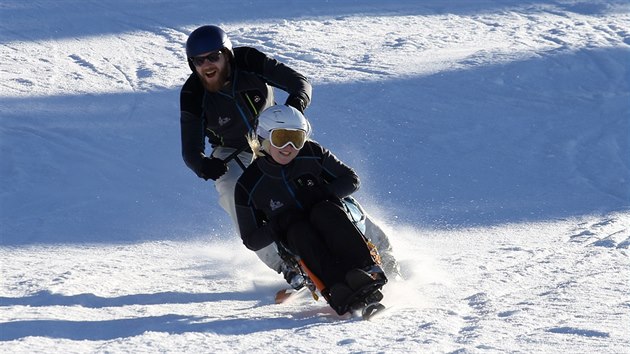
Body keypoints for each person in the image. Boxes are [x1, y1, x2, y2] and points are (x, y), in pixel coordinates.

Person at [179, 25, 400, 287]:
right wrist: (203, 165)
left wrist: (294, 107)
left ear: (227, 54)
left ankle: (378, 249)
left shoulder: (249, 60)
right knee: (230, 188)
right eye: (198, 61)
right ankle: (288, 266)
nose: (206, 65)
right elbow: (190, 149)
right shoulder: (193, 93)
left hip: (273, 134)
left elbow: (300, 83)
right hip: (231, 149)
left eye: (213, 57)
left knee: (313, 176)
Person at [234, 105, 387, 315]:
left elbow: (351, 180)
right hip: (297, 242)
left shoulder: (312, 153)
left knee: (323, 211)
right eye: (281, 138)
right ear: (263, 137)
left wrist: (322, 193)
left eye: (297, 139)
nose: (289, 147)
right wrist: (279, 224)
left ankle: (367, 270)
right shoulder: (248, 184)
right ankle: (336, 288)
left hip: (333, 220)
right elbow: (252, 240)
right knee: (299, 230)